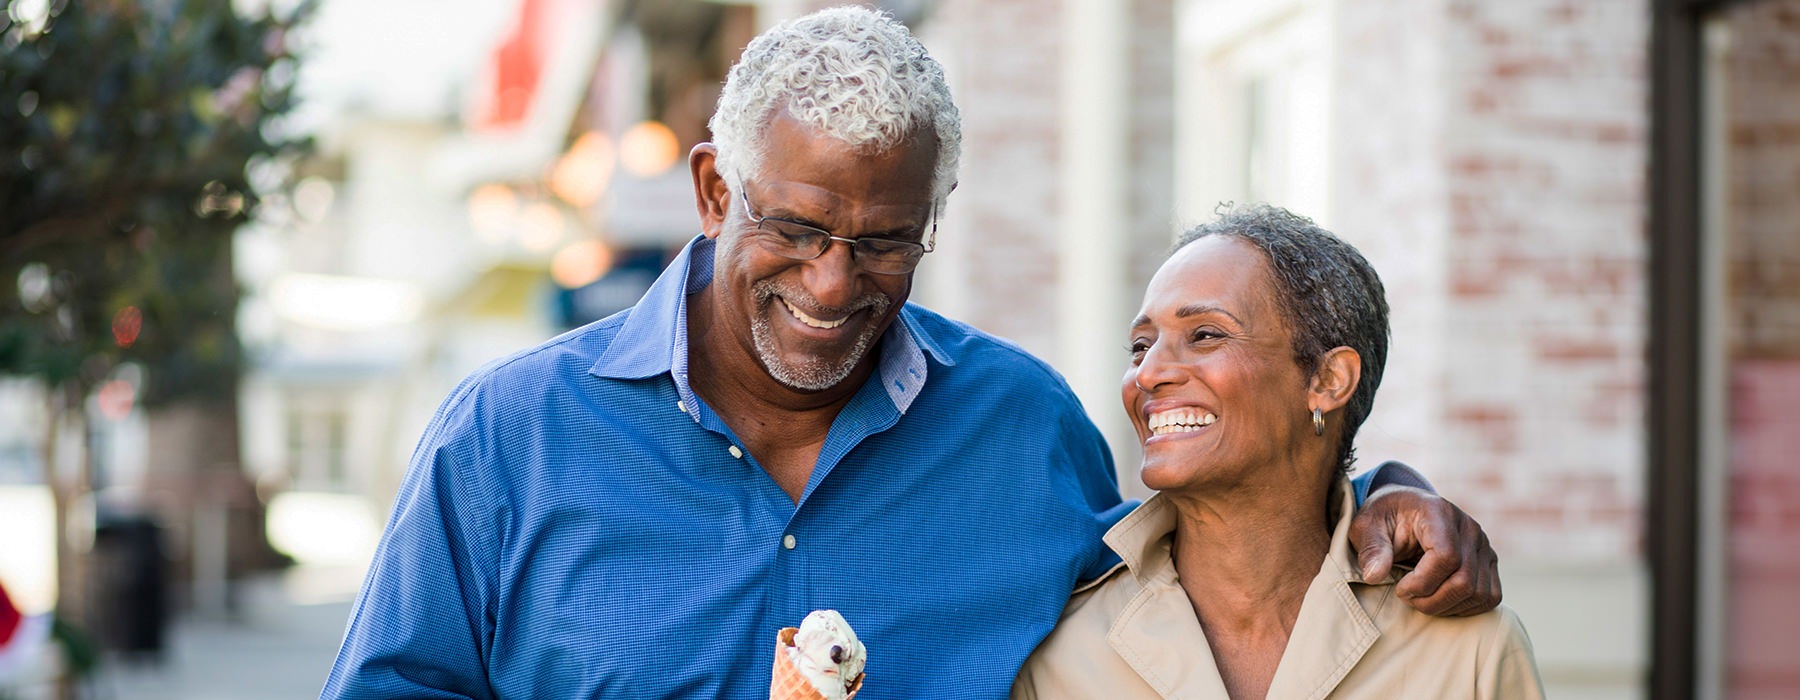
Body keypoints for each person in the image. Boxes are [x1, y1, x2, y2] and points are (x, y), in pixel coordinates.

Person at [323, 8, 1501, 699]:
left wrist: (1384, 493)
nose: (834, 284)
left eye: (885, 242)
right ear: (712, 190)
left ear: (931, 224)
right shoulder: (506, 439)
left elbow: (1211, 552)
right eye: (792, 227)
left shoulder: (1021, 428)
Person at [1011, 204, 1543, 699]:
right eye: (1140, 346)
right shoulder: (1059, 656)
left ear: (1329, 380)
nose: (1148, 374)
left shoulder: (1471, 653)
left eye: (1204, 334)